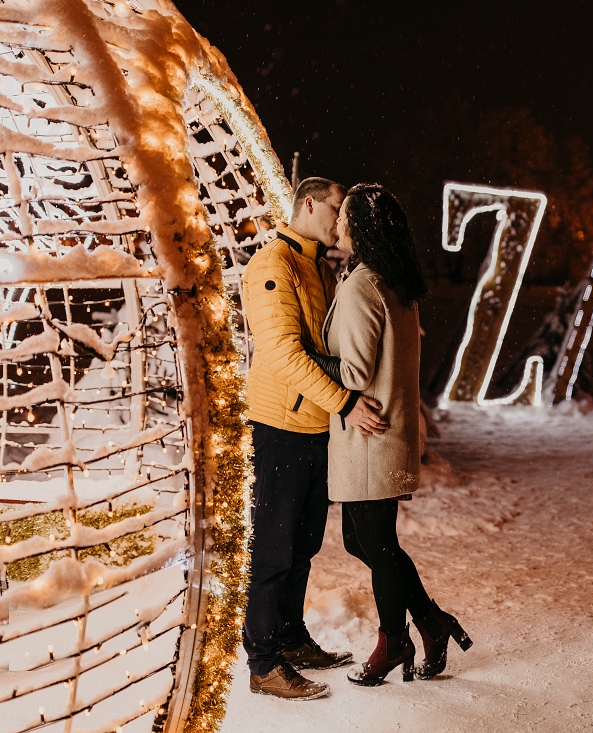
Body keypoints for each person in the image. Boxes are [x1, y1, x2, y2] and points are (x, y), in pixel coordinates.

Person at [307, 183, 471, 687]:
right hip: (387, 432)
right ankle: (431, 622)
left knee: (375, 545)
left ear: (362, 227)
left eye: (345, 216)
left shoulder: (364, 285)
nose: (338, 223)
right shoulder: (394, 283)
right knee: (366, 541)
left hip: (369, 436)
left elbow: (354, 373)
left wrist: (300, 355)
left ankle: (394, 639)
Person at [241, 177, 389, 700]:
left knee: (301, 546)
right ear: (309, 203)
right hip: (280, 427)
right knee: (273, 549)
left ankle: (290, 639)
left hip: (312, 428)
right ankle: (263, 663)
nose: (340, 219)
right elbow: (284, 354)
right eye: (335, 208)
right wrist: (345, 403)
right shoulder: (272, 265)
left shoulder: (317, 267)